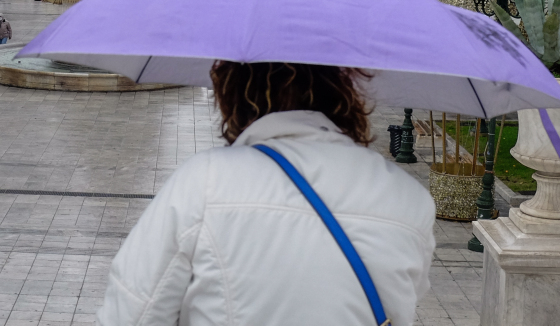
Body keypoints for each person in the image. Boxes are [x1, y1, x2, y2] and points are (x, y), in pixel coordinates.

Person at [96, 62, 435, 326]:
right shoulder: (408, 198)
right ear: (343, 91)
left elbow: (131, 314)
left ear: (234, 91)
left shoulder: (205, 183)